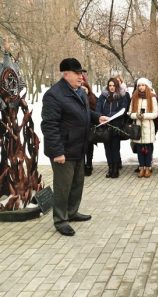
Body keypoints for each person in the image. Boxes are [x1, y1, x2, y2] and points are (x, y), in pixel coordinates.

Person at [41, 58, 108, 236]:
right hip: (64, 150)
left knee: (77, 184)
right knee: (63, 187)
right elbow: (49, 126)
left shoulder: (79, 92)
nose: (81, 77)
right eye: (77, 73)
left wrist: (96, 117)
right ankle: (61, 220)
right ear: (66, 74)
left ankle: (72, 212)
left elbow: (84, 112)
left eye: (82, 73)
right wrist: (57, 152)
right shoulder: (54, 95)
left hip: (79, 147)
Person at [96, 78, 129, 178]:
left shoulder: (122, 96)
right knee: (107, 149)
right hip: (105, 126)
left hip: (116, 126)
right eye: (110, 85)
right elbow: (98, 109)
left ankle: (115, 168)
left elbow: (123, 109)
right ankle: (110, 168)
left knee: (115, 148)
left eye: (113, 85)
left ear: (117, 86)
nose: (111, 87)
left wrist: (110, 116)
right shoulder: (103, 96)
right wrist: (101, 116)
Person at [128, 78, 158, 178]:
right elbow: (129, 113)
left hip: (148, 126)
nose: (141, 87)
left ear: (147, 86)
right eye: (139, 85)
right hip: (138, 127)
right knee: (140, 148)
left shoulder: (152, 97)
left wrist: (144, 116)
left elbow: (155, 114)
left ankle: (148, 167)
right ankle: (141, 167)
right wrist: (136, 115)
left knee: (148, 148)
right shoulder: (134, 97)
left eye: (143, 85)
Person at [81, 81, 98, 176]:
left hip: (90, 127)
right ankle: (82, 165)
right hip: (80, 128)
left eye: (85, 89)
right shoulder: (77, 98)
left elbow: (96, 110)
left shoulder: (93, 98)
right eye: (81, 89)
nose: (83, 91)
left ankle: (89, 165)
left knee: (89, 148)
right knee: (82, 148)